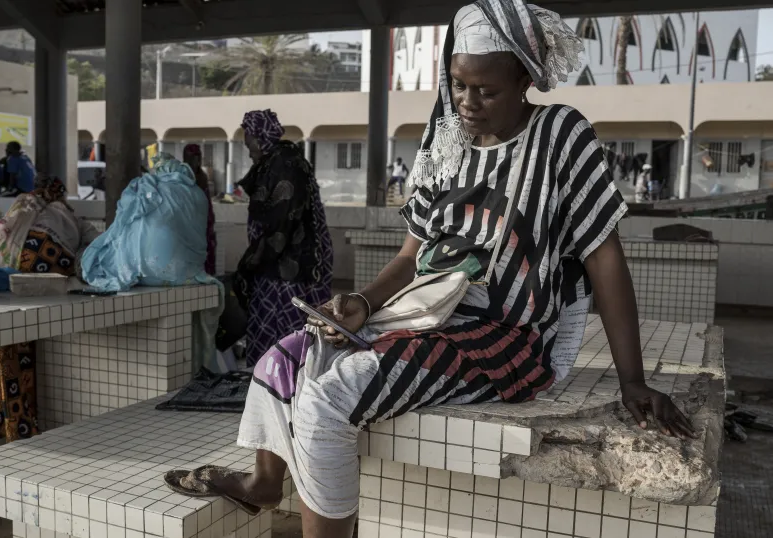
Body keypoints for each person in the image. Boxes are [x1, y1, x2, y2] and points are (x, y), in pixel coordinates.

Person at [167, 3, 695, 536]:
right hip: (421, 314)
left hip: (504, 336)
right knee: (283, 357)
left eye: (486, 91)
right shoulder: (445, 135)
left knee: (327, 400)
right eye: (459, 85)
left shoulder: (561, 135)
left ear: (526, 77)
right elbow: (408, 256)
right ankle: (263, 483)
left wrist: (633, 380)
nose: (467, 102)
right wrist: (364, 304)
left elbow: (604, 255)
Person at [0, 175, 100, 445]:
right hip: (49, 264)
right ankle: (18, 421)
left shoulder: (21, 204)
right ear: (61, 195)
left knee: (0, 344)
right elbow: (93, 250)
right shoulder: (68, 214)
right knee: (20, 343)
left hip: (11, 274)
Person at [233, 109, 333, 367]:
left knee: (287, 342)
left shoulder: (284, 165)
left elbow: (281, 223)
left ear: (259, 138)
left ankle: (283, 391)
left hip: (290, 272)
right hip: (280, 268)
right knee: (278, 340)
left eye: (249, 144)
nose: (249, 151)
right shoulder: (280, 161)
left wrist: (250, 262)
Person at [183, 144, 217, 275]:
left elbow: (207, 201)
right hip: (188, 222)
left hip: (203, 222)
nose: (195, 162)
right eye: (191, 158)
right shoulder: (182, 176)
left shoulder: (202, 177)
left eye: (198, 158)